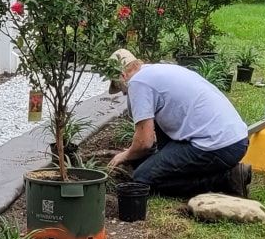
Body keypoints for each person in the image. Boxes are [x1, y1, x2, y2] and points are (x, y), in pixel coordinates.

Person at [107, 49, 252, 198]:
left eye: (119, 88)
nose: (124, 94)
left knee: (142, 179)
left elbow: (144, 143)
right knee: (149, 165)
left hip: (218, 146)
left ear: (122, 76)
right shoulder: (155, 72)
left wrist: (125, 155)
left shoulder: (137, 83)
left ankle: (227, 179)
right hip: (235, 139)